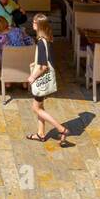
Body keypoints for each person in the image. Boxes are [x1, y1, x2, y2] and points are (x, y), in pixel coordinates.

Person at [24, 14, 68, 144]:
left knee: (36, 108)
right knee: (40, 106)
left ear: (39, 25)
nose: (32, 23)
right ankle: (41, 134)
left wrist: (32, 77)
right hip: (44, 79)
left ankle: (61, 129)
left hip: (41, 79)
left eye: (34, 22)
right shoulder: (47, 40)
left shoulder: (41, 43)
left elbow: (43, 66)